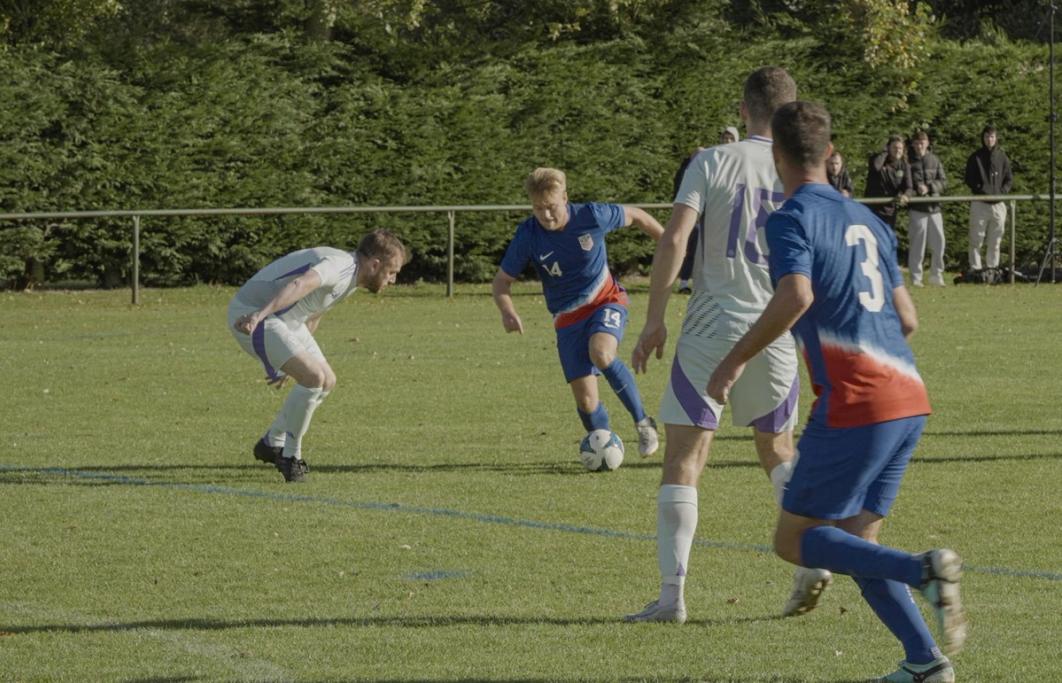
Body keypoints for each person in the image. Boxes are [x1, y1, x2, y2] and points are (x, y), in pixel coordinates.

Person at [707, 100, 966, 682]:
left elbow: (795, 295)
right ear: (830, 153)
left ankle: (922, 570)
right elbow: (907, 317)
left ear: (777, 156)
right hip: (909, 396)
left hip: (858, 401)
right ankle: (925, 664)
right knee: (853, 542)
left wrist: (731, 363)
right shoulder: (867, 219)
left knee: (794, 541)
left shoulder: (790, 217)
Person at [624, 66, 831, 625]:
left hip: (713, 325)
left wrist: (654, 320)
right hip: (778, 326)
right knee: (778, 451)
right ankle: (813, 554)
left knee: (685, 459)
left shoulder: (712, 160)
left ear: (743, 111)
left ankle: (671, 597)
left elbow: (675, 237)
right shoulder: (803, 171)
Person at [492, 167, 664, 457]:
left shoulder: (592, 216)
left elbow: (637, 215)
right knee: (586, 401)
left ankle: (643, 423)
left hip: (605, 300)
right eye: (538, 208)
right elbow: (501, 283)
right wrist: (507, 311)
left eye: (551, 207)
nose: (545, 215)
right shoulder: (528, 235)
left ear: (565, 198)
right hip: (566, 318)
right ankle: (604, 448)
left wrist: (671, 243)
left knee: (602, 353)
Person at [228, 230, 408, 482]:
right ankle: (291, 457)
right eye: (392, 272)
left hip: (284, 321)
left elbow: (314, 309)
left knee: (327, 380)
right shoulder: (340, 266)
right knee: (314, 378)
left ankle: (272, 441)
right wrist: (258, 316)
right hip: (254, 315)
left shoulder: (353, 277)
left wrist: (295, 357)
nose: (393, 280)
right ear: (375, 264)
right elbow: (299, 285)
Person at [676, 127, 741, 294]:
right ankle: (685, 282)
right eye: (724, 138)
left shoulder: (741, 162)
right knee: (692, 246)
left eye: (730, 138)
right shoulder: (710, 159)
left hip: (730, 216)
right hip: (705, 214)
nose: (727, 141)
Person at [964, 125, 1013, 272]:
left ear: (996, 138)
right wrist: (981, 190)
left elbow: (1009, 179)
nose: (989, 139)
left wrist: (1001, 192)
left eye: (992, 136)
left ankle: (992, 270)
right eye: (986, 136)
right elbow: (969, 179)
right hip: (980, 203)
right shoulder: (975, 157)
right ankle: (976, 270)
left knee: (995, 241)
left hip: (998, 205)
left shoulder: (1003, 157)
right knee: (976, 239)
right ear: (983, 138)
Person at [908, 131, 948, 287]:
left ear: (927, 143)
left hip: (935, 208)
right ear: (913, 144)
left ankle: (936, 275)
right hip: (917, 209)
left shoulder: (934, 160)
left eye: (922, 142)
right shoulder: (908, 162)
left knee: (939, 243)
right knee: (917, 246)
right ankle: (916, 277)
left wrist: (930, 187)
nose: (920, 146)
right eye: (917, 143)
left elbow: (943, 181)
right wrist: (917, 190)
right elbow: (907, 184)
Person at [866, 135, 912, 229]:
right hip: (872, 208)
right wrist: (884, 152)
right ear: (888, 148)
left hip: (889, 210)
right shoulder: (877, 159)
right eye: (894, 147)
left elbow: (909, 187)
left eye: (900, 148)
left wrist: (906, 195)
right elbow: (876, 167)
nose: (897, 150)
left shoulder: (904, 166)